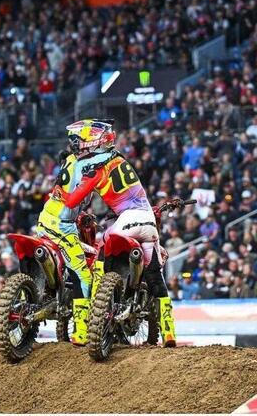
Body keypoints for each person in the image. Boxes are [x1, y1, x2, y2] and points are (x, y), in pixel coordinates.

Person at [55, 119, 176, 347]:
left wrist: (60, 192)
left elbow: (72, 201)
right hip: (148, 221)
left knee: (102, 254)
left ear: (93, 143)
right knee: (154, 276)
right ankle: (169, 333)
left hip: (127, 219)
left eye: (80, 142)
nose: (77, 147)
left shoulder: (95, 169)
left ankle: (93, 316)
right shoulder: (119, 159)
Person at [36, 146, 113, 346]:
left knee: (64, 263)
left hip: (45, 219)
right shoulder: (86, 168)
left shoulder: (70, 161)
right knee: (83, 276)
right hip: (62, 226)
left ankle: (53, 292)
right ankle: (81, 331)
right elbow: (75, 199)